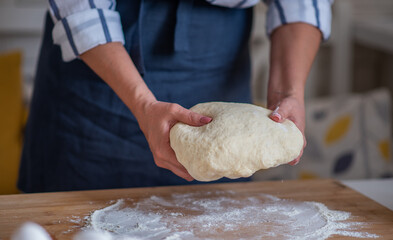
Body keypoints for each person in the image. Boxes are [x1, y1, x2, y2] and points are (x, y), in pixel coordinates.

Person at [18, 0, 333, 193]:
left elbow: (301, 2)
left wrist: (288, 92)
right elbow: (82, 6)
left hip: (215, 60)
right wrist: (144, 103)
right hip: (94, 77)